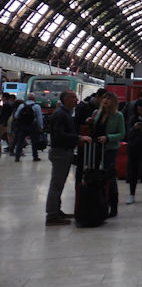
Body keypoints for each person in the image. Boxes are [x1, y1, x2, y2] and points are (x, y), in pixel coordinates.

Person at [45, 91, 92, 225]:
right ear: (65, 100)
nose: (76, 100)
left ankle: (56, 210)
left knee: (59, 184)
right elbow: (59, 135)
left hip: (63, 152)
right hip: (60, 152)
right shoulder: (60, 114)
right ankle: (52, 215)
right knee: (56, 184)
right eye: (73, 98)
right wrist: (79, 138)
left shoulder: (65, 113)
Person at [92, 92, 125, 217]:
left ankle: (114, 206)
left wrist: (108, 137)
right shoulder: (98, 114)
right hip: (97, 148)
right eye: (105, 98)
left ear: (114, 102)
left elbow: (122, 134)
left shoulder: (118, 116)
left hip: (110, 149)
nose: (106, 100)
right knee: (96, 175)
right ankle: (100, 203)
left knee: (110, 177)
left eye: (109, 99)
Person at [12, 92, 43, 162]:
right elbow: (39, 118)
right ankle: (35, 157)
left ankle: (17, 157)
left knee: (20, 141)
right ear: (34, 98)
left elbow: (16, 116)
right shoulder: (37, 106)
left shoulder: (21, 106)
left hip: (23, 126)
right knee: (34, 142)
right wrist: (41, 127)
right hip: (32, 126)